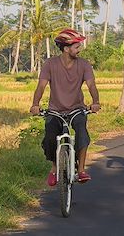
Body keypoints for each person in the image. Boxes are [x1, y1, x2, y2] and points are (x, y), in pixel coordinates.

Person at [30, 28, 101, 186]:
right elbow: (41, 86)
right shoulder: (50, 64)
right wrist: (35, 105)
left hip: (77, 109)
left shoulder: (84, 64)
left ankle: (81, 170)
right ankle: (54, 168)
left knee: (82, 132)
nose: (79, 49)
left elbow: (91, 86)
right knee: (49, 137)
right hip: (55, 110)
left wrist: (95, 102)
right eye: (76, 46)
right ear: (66, 48)